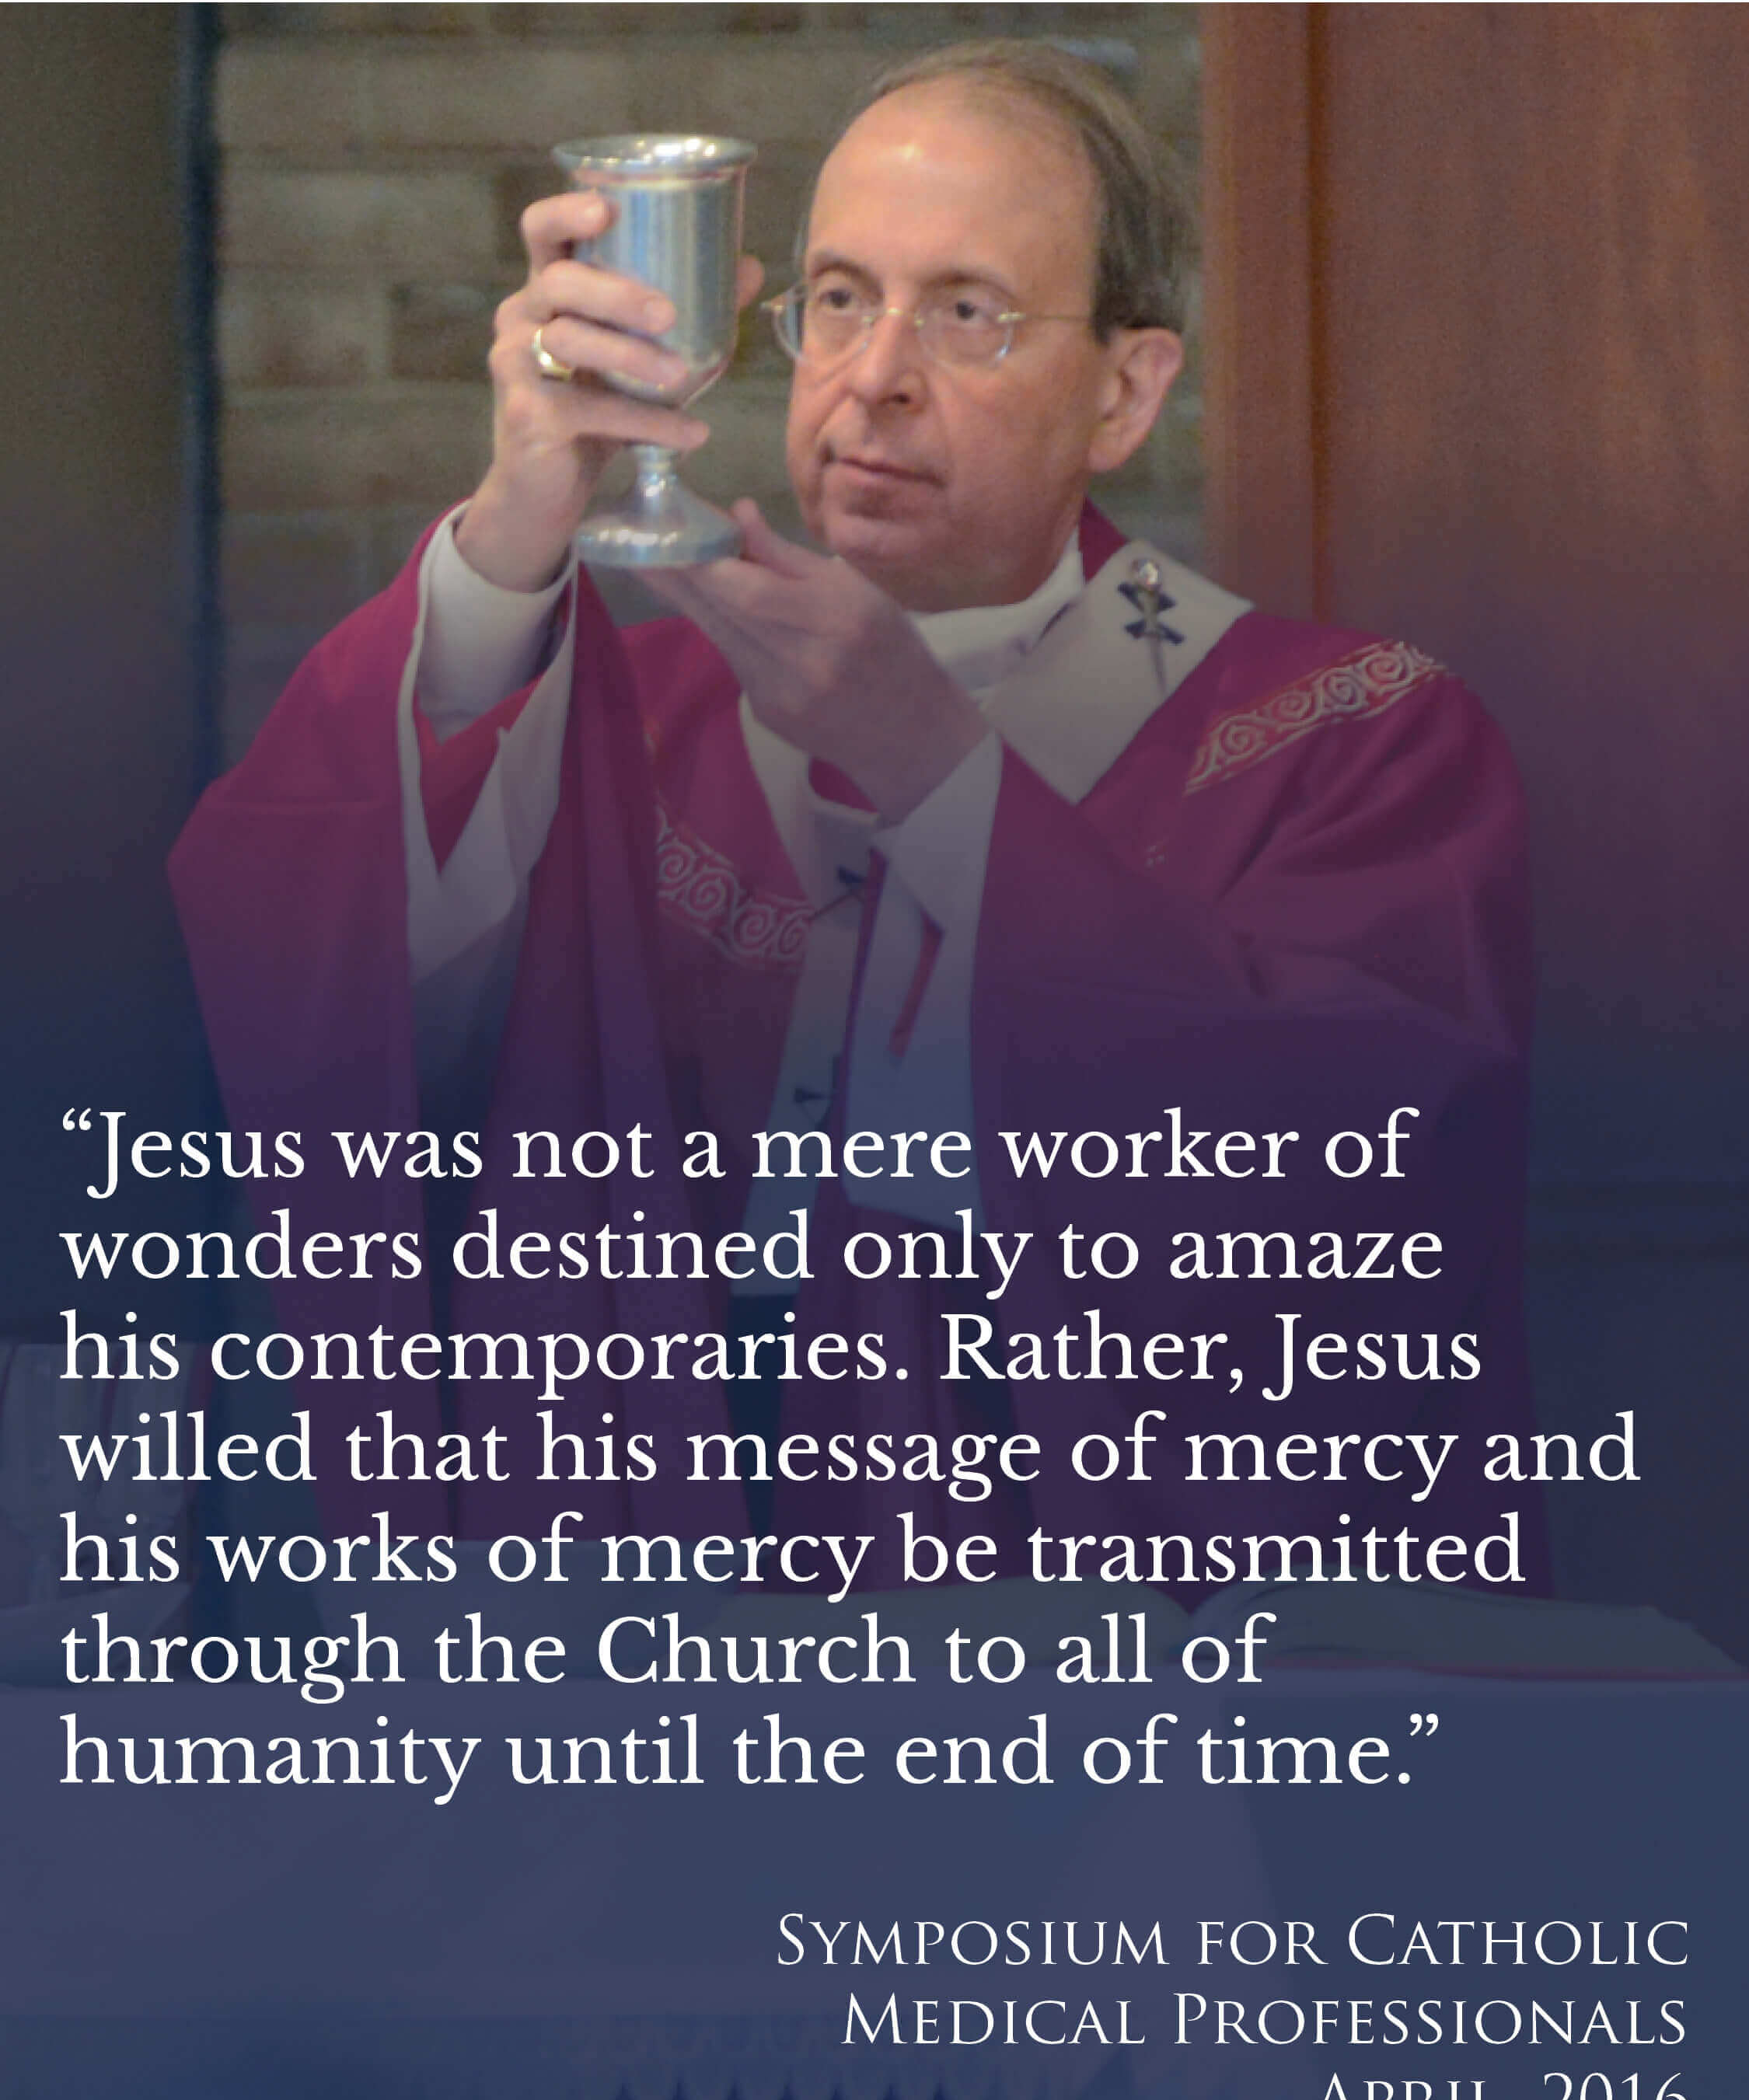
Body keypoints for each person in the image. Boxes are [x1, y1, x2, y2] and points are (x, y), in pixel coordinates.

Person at [171, 41, 1548, 1593]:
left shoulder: (1348, 737)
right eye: (837, 297)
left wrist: (944, 780)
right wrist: (507, 545)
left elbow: (1362, 1194)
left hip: (1096, 1634)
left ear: (1125, 391)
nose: (875, 374)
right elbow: (315, 989)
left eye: (967, 313)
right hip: (648, 1622)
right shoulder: (624, 720)